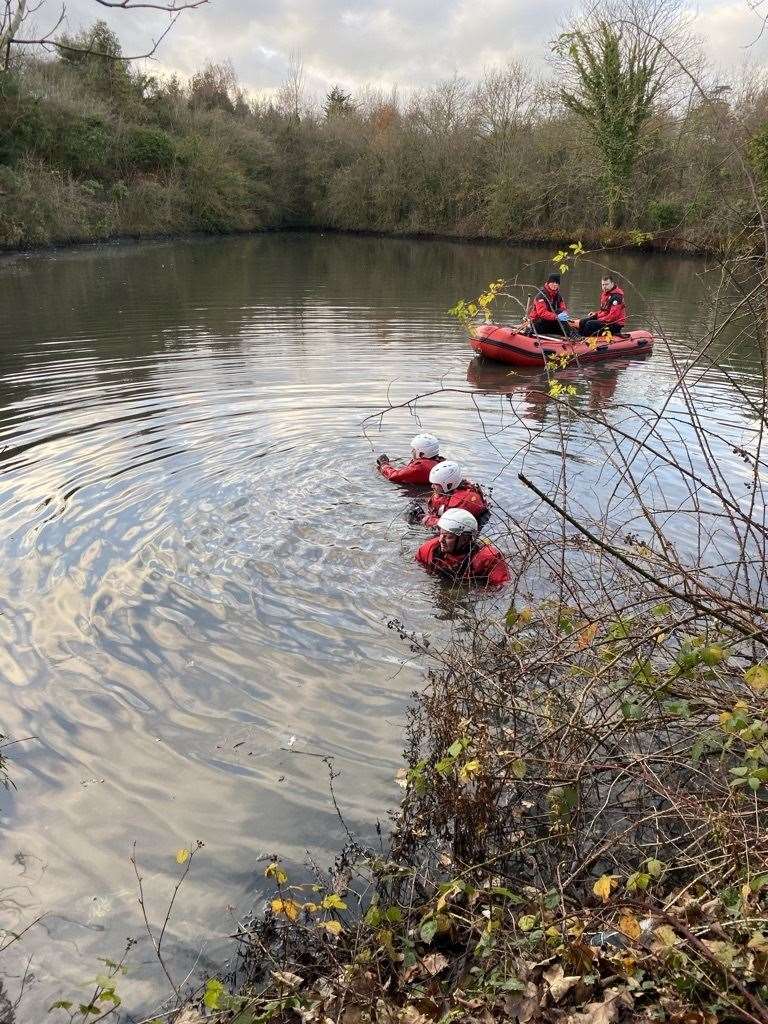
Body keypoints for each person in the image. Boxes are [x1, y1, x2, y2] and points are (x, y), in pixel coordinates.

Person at [415, 509, 510, 587]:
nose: (440, 540)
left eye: (448, 536)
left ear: (465, 539)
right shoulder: (430, 549)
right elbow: (416, 570)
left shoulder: (488, 558)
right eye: (441, 534)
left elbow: (502, 586)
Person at [420, 461, 489, 528]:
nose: (432, 486)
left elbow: (451, 526)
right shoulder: (445, 492)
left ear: (448, 484)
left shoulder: (464, 501)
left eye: (436, 484)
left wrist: (425, 519)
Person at [376, 433, 443, 485]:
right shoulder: (439, 463)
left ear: (422, 454)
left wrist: (384, 464)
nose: (412, 451)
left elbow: (392, 476)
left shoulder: (418, 468)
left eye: (414, 449)